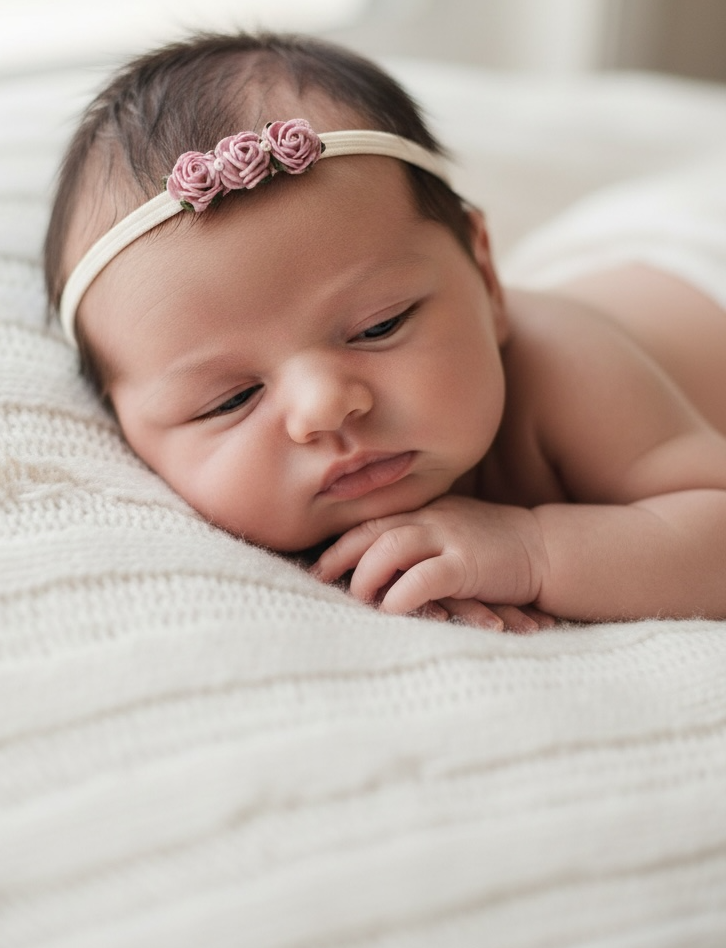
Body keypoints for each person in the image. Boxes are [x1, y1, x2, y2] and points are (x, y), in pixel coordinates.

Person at [45, 32, 726, 633]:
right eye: (229, 400)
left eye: (379, 326)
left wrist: (531, 548)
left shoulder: (567, 366)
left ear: (485, 279)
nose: (325, 407)